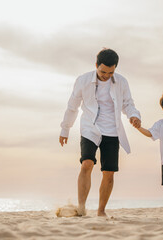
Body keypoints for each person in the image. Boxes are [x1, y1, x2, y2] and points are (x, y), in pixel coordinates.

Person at [59, 48, 141, 217]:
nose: (106, 75)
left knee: (109, 173)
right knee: (86, 164)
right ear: (96, 65)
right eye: (103, 71)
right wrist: (65, 128)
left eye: (110, 72)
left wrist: (134, 116)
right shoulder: (82, 80)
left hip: (112, 130)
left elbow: (128, 104)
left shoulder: (122, 82)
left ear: (115, 69)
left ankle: (101, 211)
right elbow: (72, 106)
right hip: (90, 127)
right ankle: (81, 208)